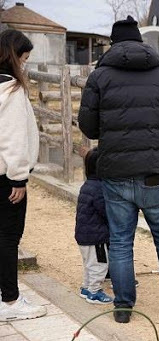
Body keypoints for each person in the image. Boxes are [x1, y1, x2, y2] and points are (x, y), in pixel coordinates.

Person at [78, 16, 159, 323]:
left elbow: (88, 126)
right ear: (141, 41)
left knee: (122, 241)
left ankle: (123, 307)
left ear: (112, 45)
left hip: (116, 172)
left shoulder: (100, 77)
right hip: (155, 172)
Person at [0, 29, 46, 322]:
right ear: (14, 57)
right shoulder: (11, 90)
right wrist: (19, 178)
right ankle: (12, 301)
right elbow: (13, 137)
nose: (25, 64)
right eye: (25, 58)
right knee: (8, 237)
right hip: (7, 177)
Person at [75, 147, 113, 305]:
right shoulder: (99, 189)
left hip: (84, 235)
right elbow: (104, 210)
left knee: (89, 264)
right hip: (96, 236)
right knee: (99, 265)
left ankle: (86, 287)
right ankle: (94, 291)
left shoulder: (88, 185)